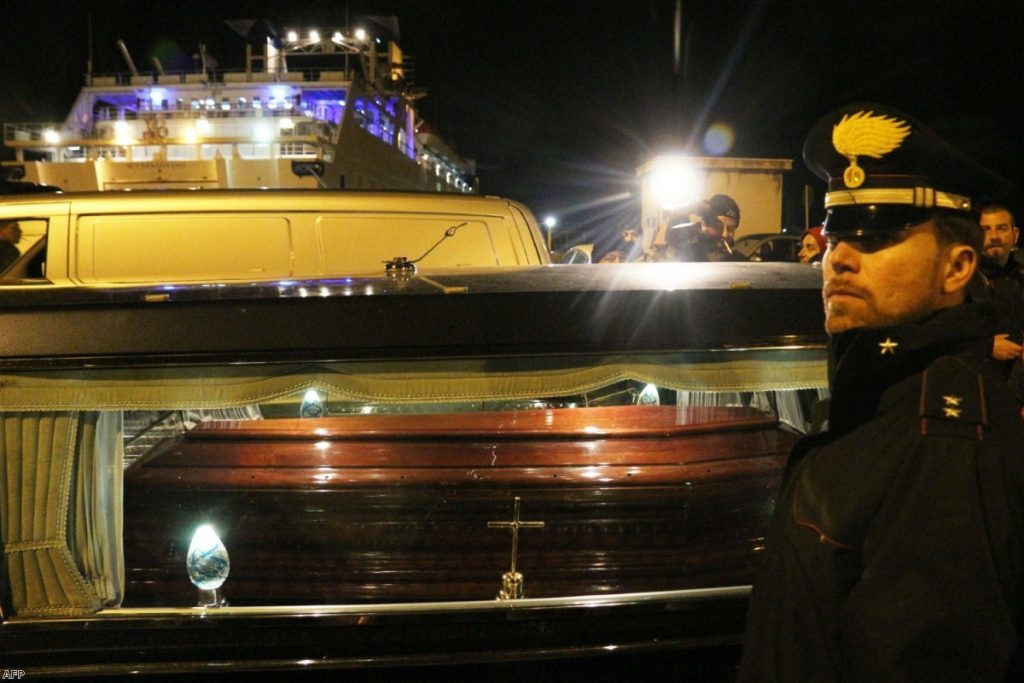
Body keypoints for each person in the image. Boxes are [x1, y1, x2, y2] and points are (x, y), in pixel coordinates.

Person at [740, 103, 1024, 681]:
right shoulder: (881, 394)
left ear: (957, 268)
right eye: (836, 236)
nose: (838, 258)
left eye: (877, 237)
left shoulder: (942, 435)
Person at [978, 205, 1024, 392]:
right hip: (978, 387)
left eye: (1001, 228)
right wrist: (986, 346)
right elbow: (941, 335)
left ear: (1015, 235)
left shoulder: (1020, 277)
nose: (994, 236)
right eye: (985, 229)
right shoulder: (960, 279)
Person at [663, 194, 745, 261]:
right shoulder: (685, 252)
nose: (725, 234)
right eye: (717, 226)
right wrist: (686, 209)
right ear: (703, 223)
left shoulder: (740, 262)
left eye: (730, 229)